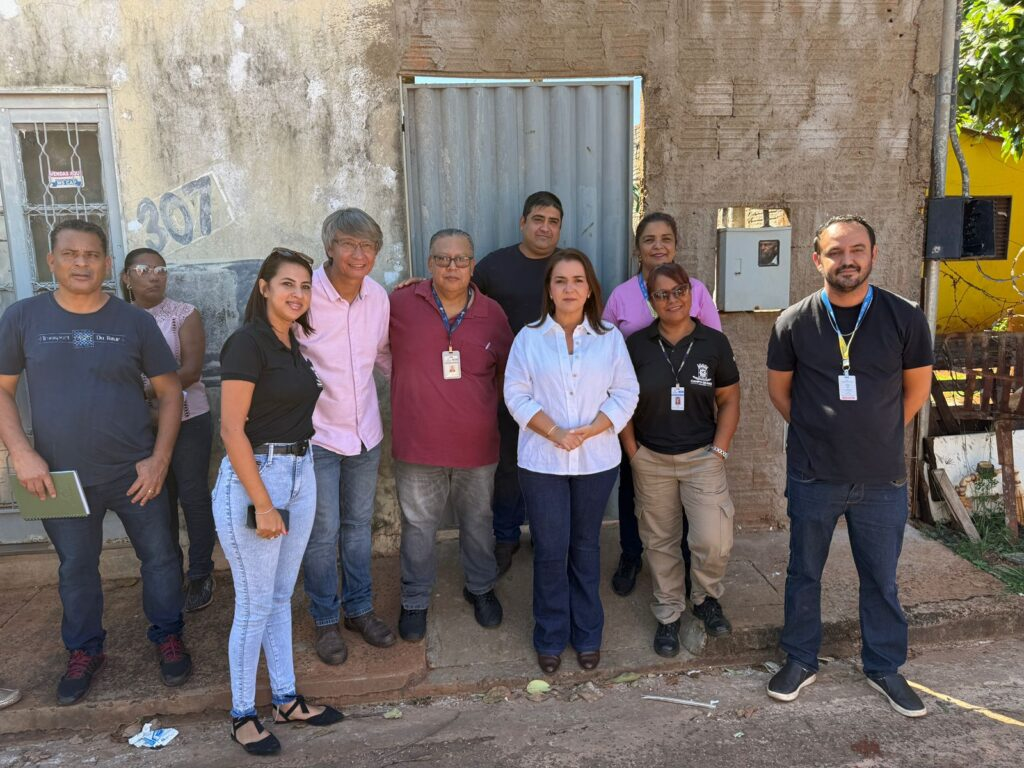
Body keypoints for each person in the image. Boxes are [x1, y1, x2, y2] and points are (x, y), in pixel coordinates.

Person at [0, 219, 191, 706]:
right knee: (76, 567)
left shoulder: (134, 322)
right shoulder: (23, 318)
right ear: (52, 262)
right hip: (58, 477)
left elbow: (171, 394)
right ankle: (85, 650)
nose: (81, 263)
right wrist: (21, 452)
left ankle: (168, 634)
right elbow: (2, 390)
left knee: (162, 558)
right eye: (70, 254)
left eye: (91, 255)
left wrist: (159, 459)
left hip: (135, 472)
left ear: (108, 264)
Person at [766, 215, 933, 717]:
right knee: (804, 572)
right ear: (817, 260)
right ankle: (800, 659)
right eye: (835, 252)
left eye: (857, 250)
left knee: (880, 578)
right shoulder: (793, 321)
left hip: (881, 478)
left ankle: (884, 666)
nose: (847, 260)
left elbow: (917, 388)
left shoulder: (904, 317)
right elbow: (779, 391)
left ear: (873, 255)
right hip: (813, 474)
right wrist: (821, 434)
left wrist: (877, 434)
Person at [215, 248, 343, 755]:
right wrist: (263, 503)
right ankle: (243, 712)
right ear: (264, 287)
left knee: (279, 596)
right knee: (252, 603)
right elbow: (230, 429)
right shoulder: (247, 343)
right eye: (287, 283)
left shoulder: (292, 345)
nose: (298, 294)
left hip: (300, 470)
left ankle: (286, 699)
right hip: (259, 477)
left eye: (305, 286)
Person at [504, 249, 638, 674]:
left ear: (589, 288)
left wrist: (594, 428)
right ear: (549, 288)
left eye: (577, 280)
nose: (569, 288)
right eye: (560, 280)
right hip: (542, 461)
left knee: (585, 547)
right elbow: (516, 394)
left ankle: (587, 635)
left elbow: (626, 393)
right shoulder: (529, 337)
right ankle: (549, 635)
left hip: (596, 461)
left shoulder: (609, 337)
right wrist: (556, 432)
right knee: (549, 549)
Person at [389, 229, 513, 641]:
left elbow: (506, 374)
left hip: (477, 446)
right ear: (429, 264)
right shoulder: (400, 303)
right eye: (443, 259)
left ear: (473, 264)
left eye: (461, 259)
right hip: (417, 444)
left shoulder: (493, 313)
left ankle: (480, 588)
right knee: (418, 526)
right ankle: (415, 599)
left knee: (478, 522)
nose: (452, 267)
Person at [621, 263, 740, 657]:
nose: (672, 299)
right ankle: (669, 613)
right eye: (662, 294)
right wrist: (633, 453)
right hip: (651, 458)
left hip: (702, 456)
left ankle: (705, 598)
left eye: (679, 291)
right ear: (651, 301)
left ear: (691, 293)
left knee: (713, 539)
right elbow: (620, 402)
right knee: (660, 542)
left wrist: (720, 449)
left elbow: (729, 398)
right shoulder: (636, 344)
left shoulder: (713, 343)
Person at [603, 212, 722, 598]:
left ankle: (687, 563)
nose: (658, 246)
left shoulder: (697, 291)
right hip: (636, 417)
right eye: (649, 240)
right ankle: (631, 555)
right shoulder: (621, 295)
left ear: (676, 244)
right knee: (631, 490)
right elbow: (604, 351)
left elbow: (714, 349)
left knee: (687, 499)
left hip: (689, 419)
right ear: (637, 250)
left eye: (666, 238)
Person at [297, 208, 396, 664]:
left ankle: (358, 608)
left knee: (358, 529)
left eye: (368, 246)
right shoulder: (303, 295)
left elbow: (383, 356)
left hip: (365, 434)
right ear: (329, 248)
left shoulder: (378, 297)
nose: (359, 254)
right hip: (316, 436)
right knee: (322, 534)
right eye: (349, 244)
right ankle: (325, 620)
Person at [475, 191, 564, 575]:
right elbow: (460, 302)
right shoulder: (494, 267)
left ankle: (548, 534)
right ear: (522, 223)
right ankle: (506, 536)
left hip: (562, 386)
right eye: (538, 219)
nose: (545, 227)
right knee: (509, 464)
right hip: (507, 385)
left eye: (554, 221)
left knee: (553, 463)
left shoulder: (568, 266)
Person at [121, 248, 216, 612]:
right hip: (138, 427)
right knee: (157, 500)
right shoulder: (115, 319)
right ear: (127, 277)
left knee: (192, 496)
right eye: (144, 269)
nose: (155, 275)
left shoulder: (184, 315)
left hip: (190, 419)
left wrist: (142, 389)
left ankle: (201, 572)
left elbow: (191, 371)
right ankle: (169, 571)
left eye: (161, 269)